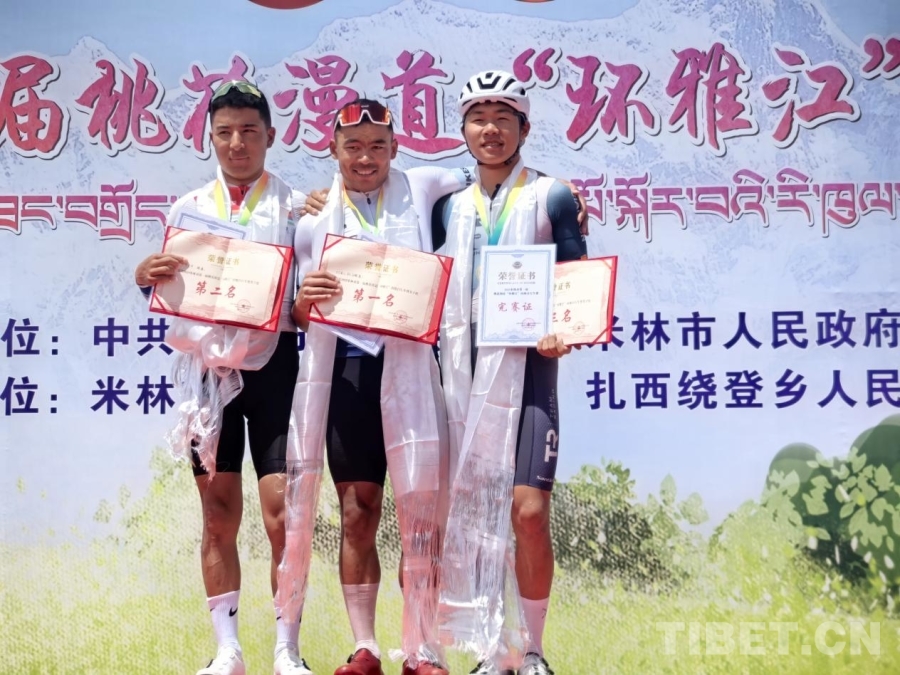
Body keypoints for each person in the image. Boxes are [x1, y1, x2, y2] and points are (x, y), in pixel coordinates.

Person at [288, 98, 475, 675]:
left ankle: (422, 647)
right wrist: (304, 302)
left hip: (413, 369)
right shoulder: (311, 223)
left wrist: (565, 200)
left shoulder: (422, 186)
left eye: (377, 146)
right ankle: (365, 646)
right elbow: (298, 315)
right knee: (357, 511)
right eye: (353, 147)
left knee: (423, 516)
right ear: (333, 151)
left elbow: (489, 176)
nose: (365, 157)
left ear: (395, 148)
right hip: (347, 372)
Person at [134, 80, 311, 675]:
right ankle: (227, 650)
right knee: (217, 512)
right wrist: (145, 275)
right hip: (207, 378)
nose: (237, 143)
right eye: (225, 132)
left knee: (285, 514)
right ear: (210, 137)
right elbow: (170, 289)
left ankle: (287, 649)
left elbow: (311, 295)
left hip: (276, 369)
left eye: (249, 131)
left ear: (271, 135)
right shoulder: (187, 209)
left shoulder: (299, 209)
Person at [432, 71, 587, 675]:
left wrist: (563, 327)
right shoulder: (448, 205)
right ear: (463, 128)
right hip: (460, 375)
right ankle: (491, 649)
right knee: (474, 516)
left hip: (530, 373)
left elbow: (576, 280)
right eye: (478, 117)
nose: (490, 129)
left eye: (503, 118)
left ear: (525, 127)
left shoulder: (552, 195)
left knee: (527, 513)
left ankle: (534, 649)